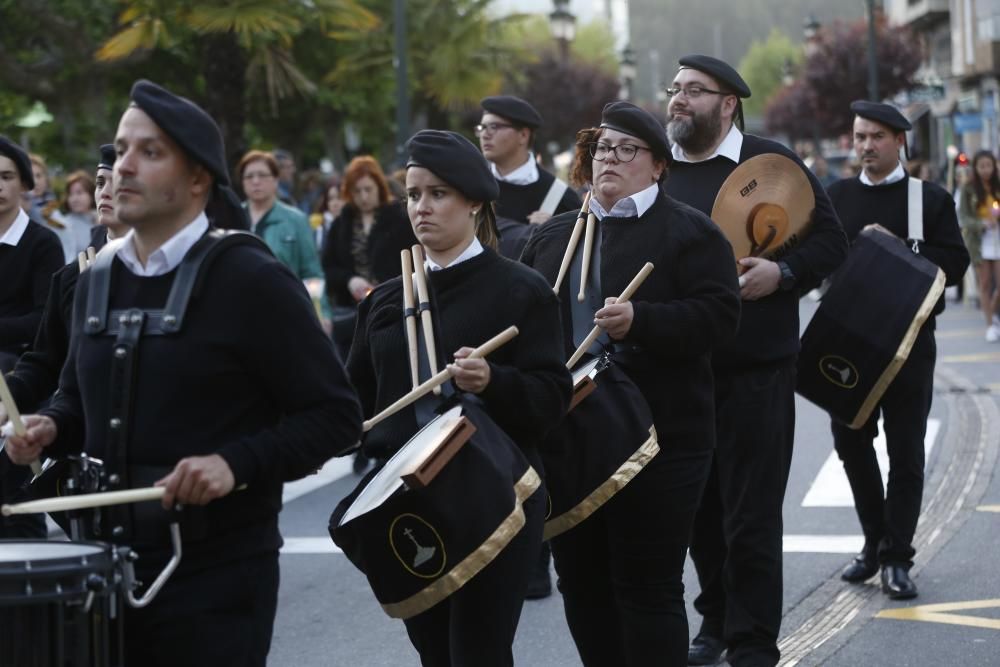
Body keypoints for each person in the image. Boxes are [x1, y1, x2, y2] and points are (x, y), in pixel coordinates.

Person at [5, 80, 362, 666]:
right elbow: (77, 397)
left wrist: (233, 464)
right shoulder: (94, 278)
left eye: (149, 153)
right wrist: (52, 427)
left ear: (198, 179)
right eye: (121, 150)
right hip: (104, 569)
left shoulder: (250, 278)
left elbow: (337, 418)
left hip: (215, 581)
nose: (122, 168)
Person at [520, 101, 741, 666]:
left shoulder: (690, 233)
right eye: (600, 149)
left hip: (663, 439)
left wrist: (643, 321)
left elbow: (720, 318)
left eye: (626, 150)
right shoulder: (553, 238)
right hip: (572, 441)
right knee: (582, 582)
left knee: (648, 585)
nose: (609, 160)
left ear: (658, 165)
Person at [346, 129, 571, 666]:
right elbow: (352, 402)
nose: (421, 208)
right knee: (435, 654)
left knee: (479, 652)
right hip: (409, 505)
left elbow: (551, 401)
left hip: (497, 494)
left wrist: (492, 381)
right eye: (413, 194)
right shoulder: (384, 300)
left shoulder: (520, 289)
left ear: (474, 202)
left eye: (438, 194)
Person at [661, 55, 848, 667]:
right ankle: (714, 622)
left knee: (752, 516)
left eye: (694, 90)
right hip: (682, 374)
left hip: (758, 374)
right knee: (699, 516)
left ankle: (752, 642)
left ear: (728, 103)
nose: (679, 100)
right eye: (675, 89)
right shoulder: (658, 172)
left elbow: (831, 240)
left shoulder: (772, 162)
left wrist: (784, 272)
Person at [826, 101, 969, 599]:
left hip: (909, 346)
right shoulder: (836, 196)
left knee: (905, 451)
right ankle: (874, 540)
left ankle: (896, 558)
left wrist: (896, 252)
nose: (866, 146)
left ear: (899, 142)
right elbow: (818, 259)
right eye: (860, 137)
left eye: (877, 138)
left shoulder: (926, 199)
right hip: (848, 345)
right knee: (850, 444)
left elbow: (956, 261)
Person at [0, 135, 64, 538]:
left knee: (18, 508)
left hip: (23, 378)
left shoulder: (43, 243)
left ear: (25, 184)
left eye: (5, 176)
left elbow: (44, 321)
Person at [477, 95, 582, 260]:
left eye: (494, 127)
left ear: (523, 135)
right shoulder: (471, 187)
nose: (485, 134)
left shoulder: (561, 198)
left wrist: (553, 230)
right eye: (482, 127)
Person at [320, 155, 416, 309]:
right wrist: (349, 280)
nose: (363, 197)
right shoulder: (342, 223)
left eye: (368, 189)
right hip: (353, 309)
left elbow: (415, 264)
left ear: (379, 186)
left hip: (396, 305)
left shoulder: (400, 219)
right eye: (357, 191)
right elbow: (328, 268)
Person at [238, 149, 323, 282]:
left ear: (275, 179)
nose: (255, 181)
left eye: (262, 175)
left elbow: (312, 273)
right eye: (249, 176)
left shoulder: (296, 220)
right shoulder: (231, 217)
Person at [958, 149, 1000, 341]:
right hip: (979, 241)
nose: (985, 170)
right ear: (975, 167)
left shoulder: (997, 185)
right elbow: (964, 218)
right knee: (985, 283)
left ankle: (993, 311)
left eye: (989, 166)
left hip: (997, 237)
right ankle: (990, 324)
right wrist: (981, 224)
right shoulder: (968, 188)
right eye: (981, 166)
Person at [49, 169, 97, 263]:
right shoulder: (61, 223)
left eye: (79, 193)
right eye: (70, 194)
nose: (74, 199)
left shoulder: (101, 222)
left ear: (91, 195)